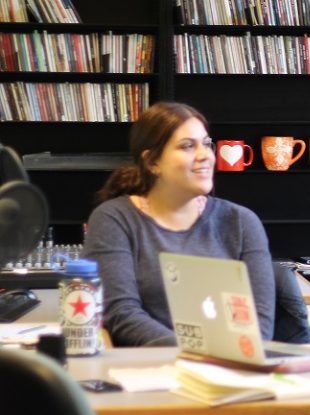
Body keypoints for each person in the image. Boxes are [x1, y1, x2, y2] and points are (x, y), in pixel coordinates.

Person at [83, 101, 275, 347]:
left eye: (207, 144)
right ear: (153, 162)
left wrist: (221, 360)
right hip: (148, 370)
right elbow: (122, 313)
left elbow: (260, 324)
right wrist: (197, 354)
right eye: (187, 146)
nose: (205, 155)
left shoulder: (241, 222)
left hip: (231, 367)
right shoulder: (114, 219)